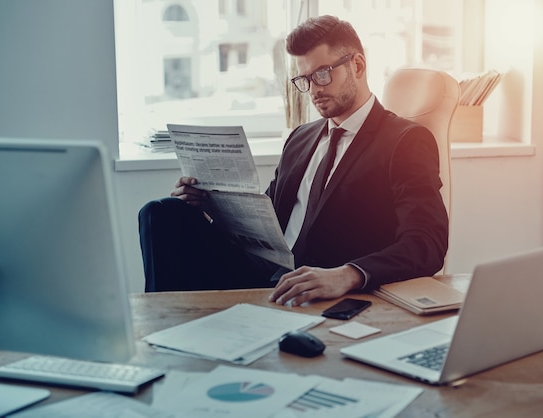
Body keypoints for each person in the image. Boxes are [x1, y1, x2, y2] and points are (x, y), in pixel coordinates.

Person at [139, 15, 448, 306]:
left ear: (357, 65)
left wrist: (348, 274)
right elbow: (268, 219)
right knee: (162, 214)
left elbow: (427, 243)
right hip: (260, 269)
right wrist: (209, 205)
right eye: (304, 79)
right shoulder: (301, 137)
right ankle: (163, 329)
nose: (313, 90)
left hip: (315, 279)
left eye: (322, 74)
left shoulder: (404, 140)